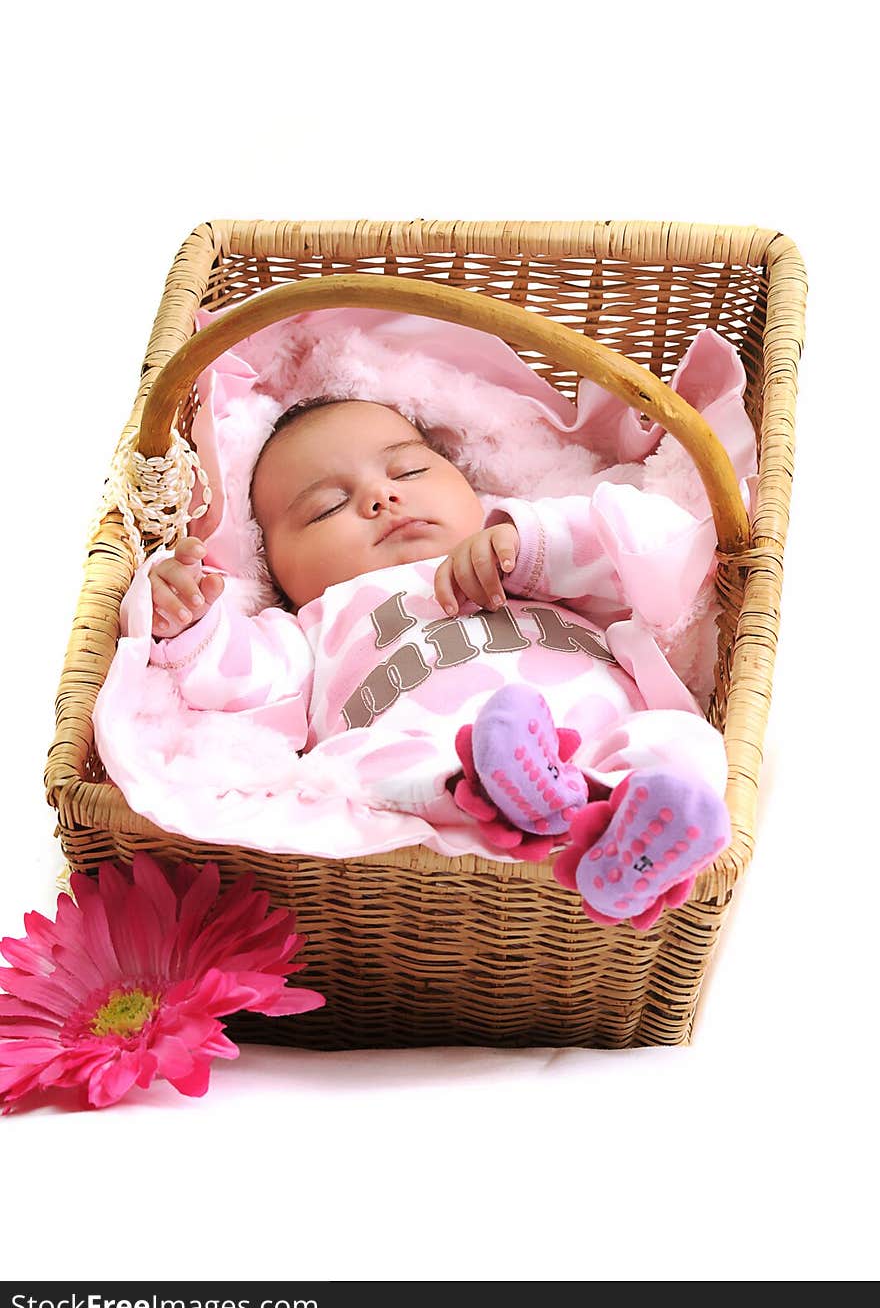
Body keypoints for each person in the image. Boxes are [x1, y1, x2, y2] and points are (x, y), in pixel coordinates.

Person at [148, 397, 731, 930]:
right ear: (276, 569)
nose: (382, 497)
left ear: (464, 481)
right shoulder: (312, 623)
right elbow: (241, 683)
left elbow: (648, 556)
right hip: (428, 768)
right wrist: (194, 619)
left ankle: (627, 833)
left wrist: (528, 548)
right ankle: (482, 785)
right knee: (346, 770)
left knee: (680, 737)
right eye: (326, 509)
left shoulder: (519, 537)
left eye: (408, 471)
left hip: (596, 732)